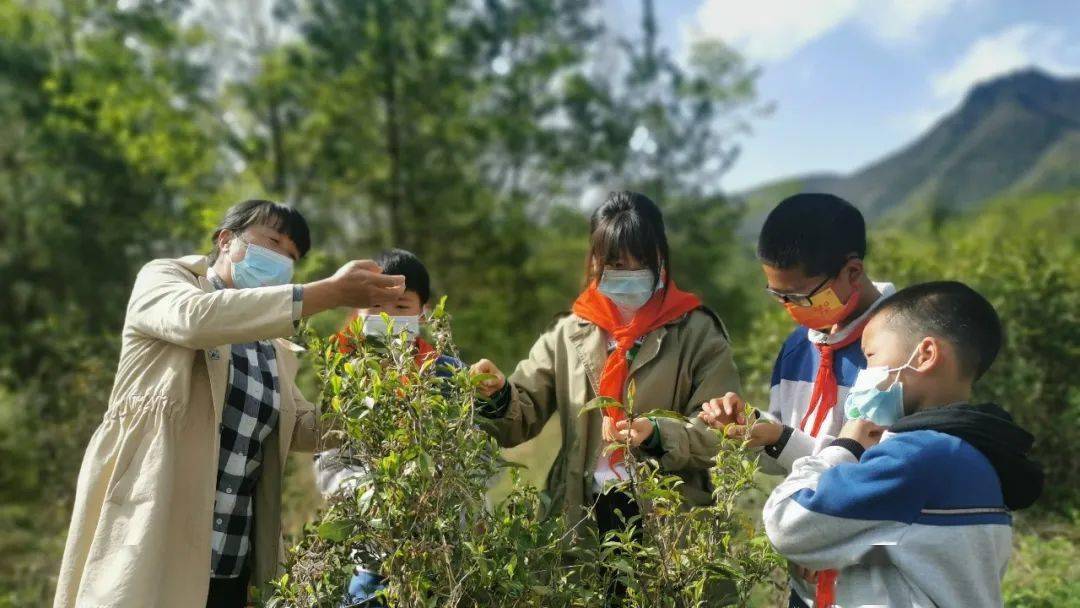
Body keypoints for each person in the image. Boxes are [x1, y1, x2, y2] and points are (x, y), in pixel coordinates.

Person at [53, 200, 407, 608]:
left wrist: (386, 407)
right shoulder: (167, 280)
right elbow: (194, 321)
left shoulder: (272, 346)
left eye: (291, 256)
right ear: (225, 239)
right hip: (152, 540)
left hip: (229, 560)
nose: (280, 260)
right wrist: (328, 293)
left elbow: (298, 425)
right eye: (272, 241)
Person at [470, 191, 741, 571]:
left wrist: (659, 433)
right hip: (579, 516)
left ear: (660, 258)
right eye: (616, 262)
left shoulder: (697, 331)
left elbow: (719, 431)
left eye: (640, 261)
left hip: (668, 520)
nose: (629, 273)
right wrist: (498, 394)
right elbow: (521, 414)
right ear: (595, 261)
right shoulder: (569, 332)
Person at [763, 281, 1043, 607]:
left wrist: (845, 445)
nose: (864, 374)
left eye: (871, 356)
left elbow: (789, 523)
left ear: (924, 354)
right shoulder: (972, 453)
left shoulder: (917, 458)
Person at [697, 193, 895, 604]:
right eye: (778, 296)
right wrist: (756, 430)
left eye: (801, 297)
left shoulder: (900, 350)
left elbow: (885, 475)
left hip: (875, 587)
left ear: (852, 271)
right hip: (805, 588)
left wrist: (782, 438)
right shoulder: (798, 348)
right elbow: (792, 462)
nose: (790, 309)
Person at [314, 249, 463, 607]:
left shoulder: (448, 372)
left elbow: (474, 448)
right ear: (358, 310)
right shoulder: (344, 372)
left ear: (423, 312)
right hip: (369, 550)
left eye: (401, 307)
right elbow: (329, 459)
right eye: (377, 307)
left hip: (439, 548)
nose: (388, 317)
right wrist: (370, 496)